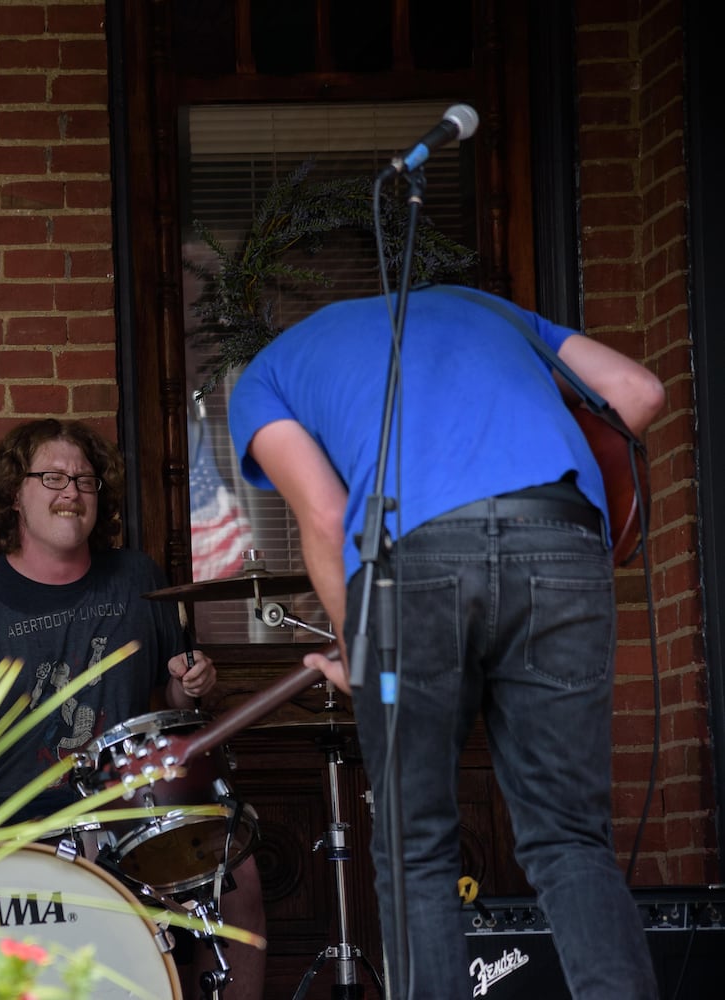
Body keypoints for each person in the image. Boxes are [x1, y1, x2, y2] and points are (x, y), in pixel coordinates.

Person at [227, 285, 664, 1000]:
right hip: (561, 536)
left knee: (416, 847)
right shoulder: (489, 310)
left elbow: (330, 515)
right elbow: (638, 392)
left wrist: (358, 653)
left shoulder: (268, 374)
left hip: (412, 565)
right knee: (570, 840)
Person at [0, 418, 267, 999]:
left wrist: (189, 686)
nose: (71, 493)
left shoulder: (136, 579)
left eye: (86, 481)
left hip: (127, 813)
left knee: (234, 873)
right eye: (53, 478)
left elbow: (172, 696)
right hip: (8, 821)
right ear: (15, 494)